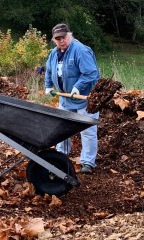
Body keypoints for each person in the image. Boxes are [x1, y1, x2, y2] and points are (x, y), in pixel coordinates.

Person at [44, 23, 100, 174]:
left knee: (87, 130)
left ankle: (88, 163)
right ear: (54, 40)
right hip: (66, 99)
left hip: (84, 99)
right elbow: (49, 70)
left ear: (70, 35)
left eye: (64, 37)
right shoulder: (54, 53)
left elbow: (91, 73)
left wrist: (77, 87)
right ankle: (61, 156)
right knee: (62, 128)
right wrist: (48, 86)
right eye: (58, 38)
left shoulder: (80, 50)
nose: (61, 40)